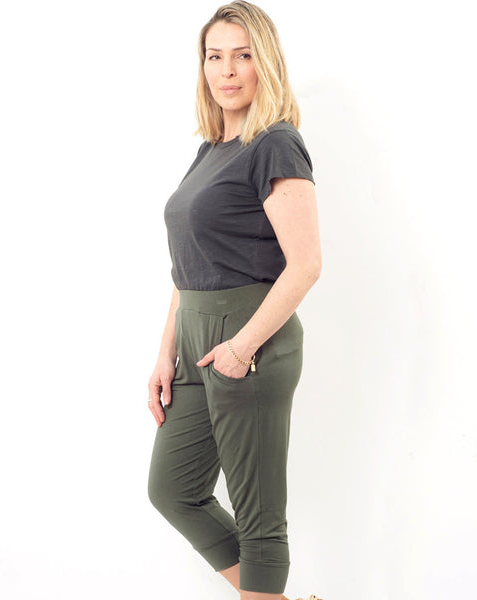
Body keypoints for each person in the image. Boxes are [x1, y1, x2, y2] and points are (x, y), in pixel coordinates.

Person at [147, 3, 323, 600]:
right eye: (214, 56)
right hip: (196, 337)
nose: (226, 70)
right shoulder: (211, 150)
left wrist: (242, 347)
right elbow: (187, 266)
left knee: (258, 516)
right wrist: (166, 352)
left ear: (264, 63)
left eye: (242, 55)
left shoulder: (276, 144)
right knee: (173, 491)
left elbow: (306, 264)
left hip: (248, 337)